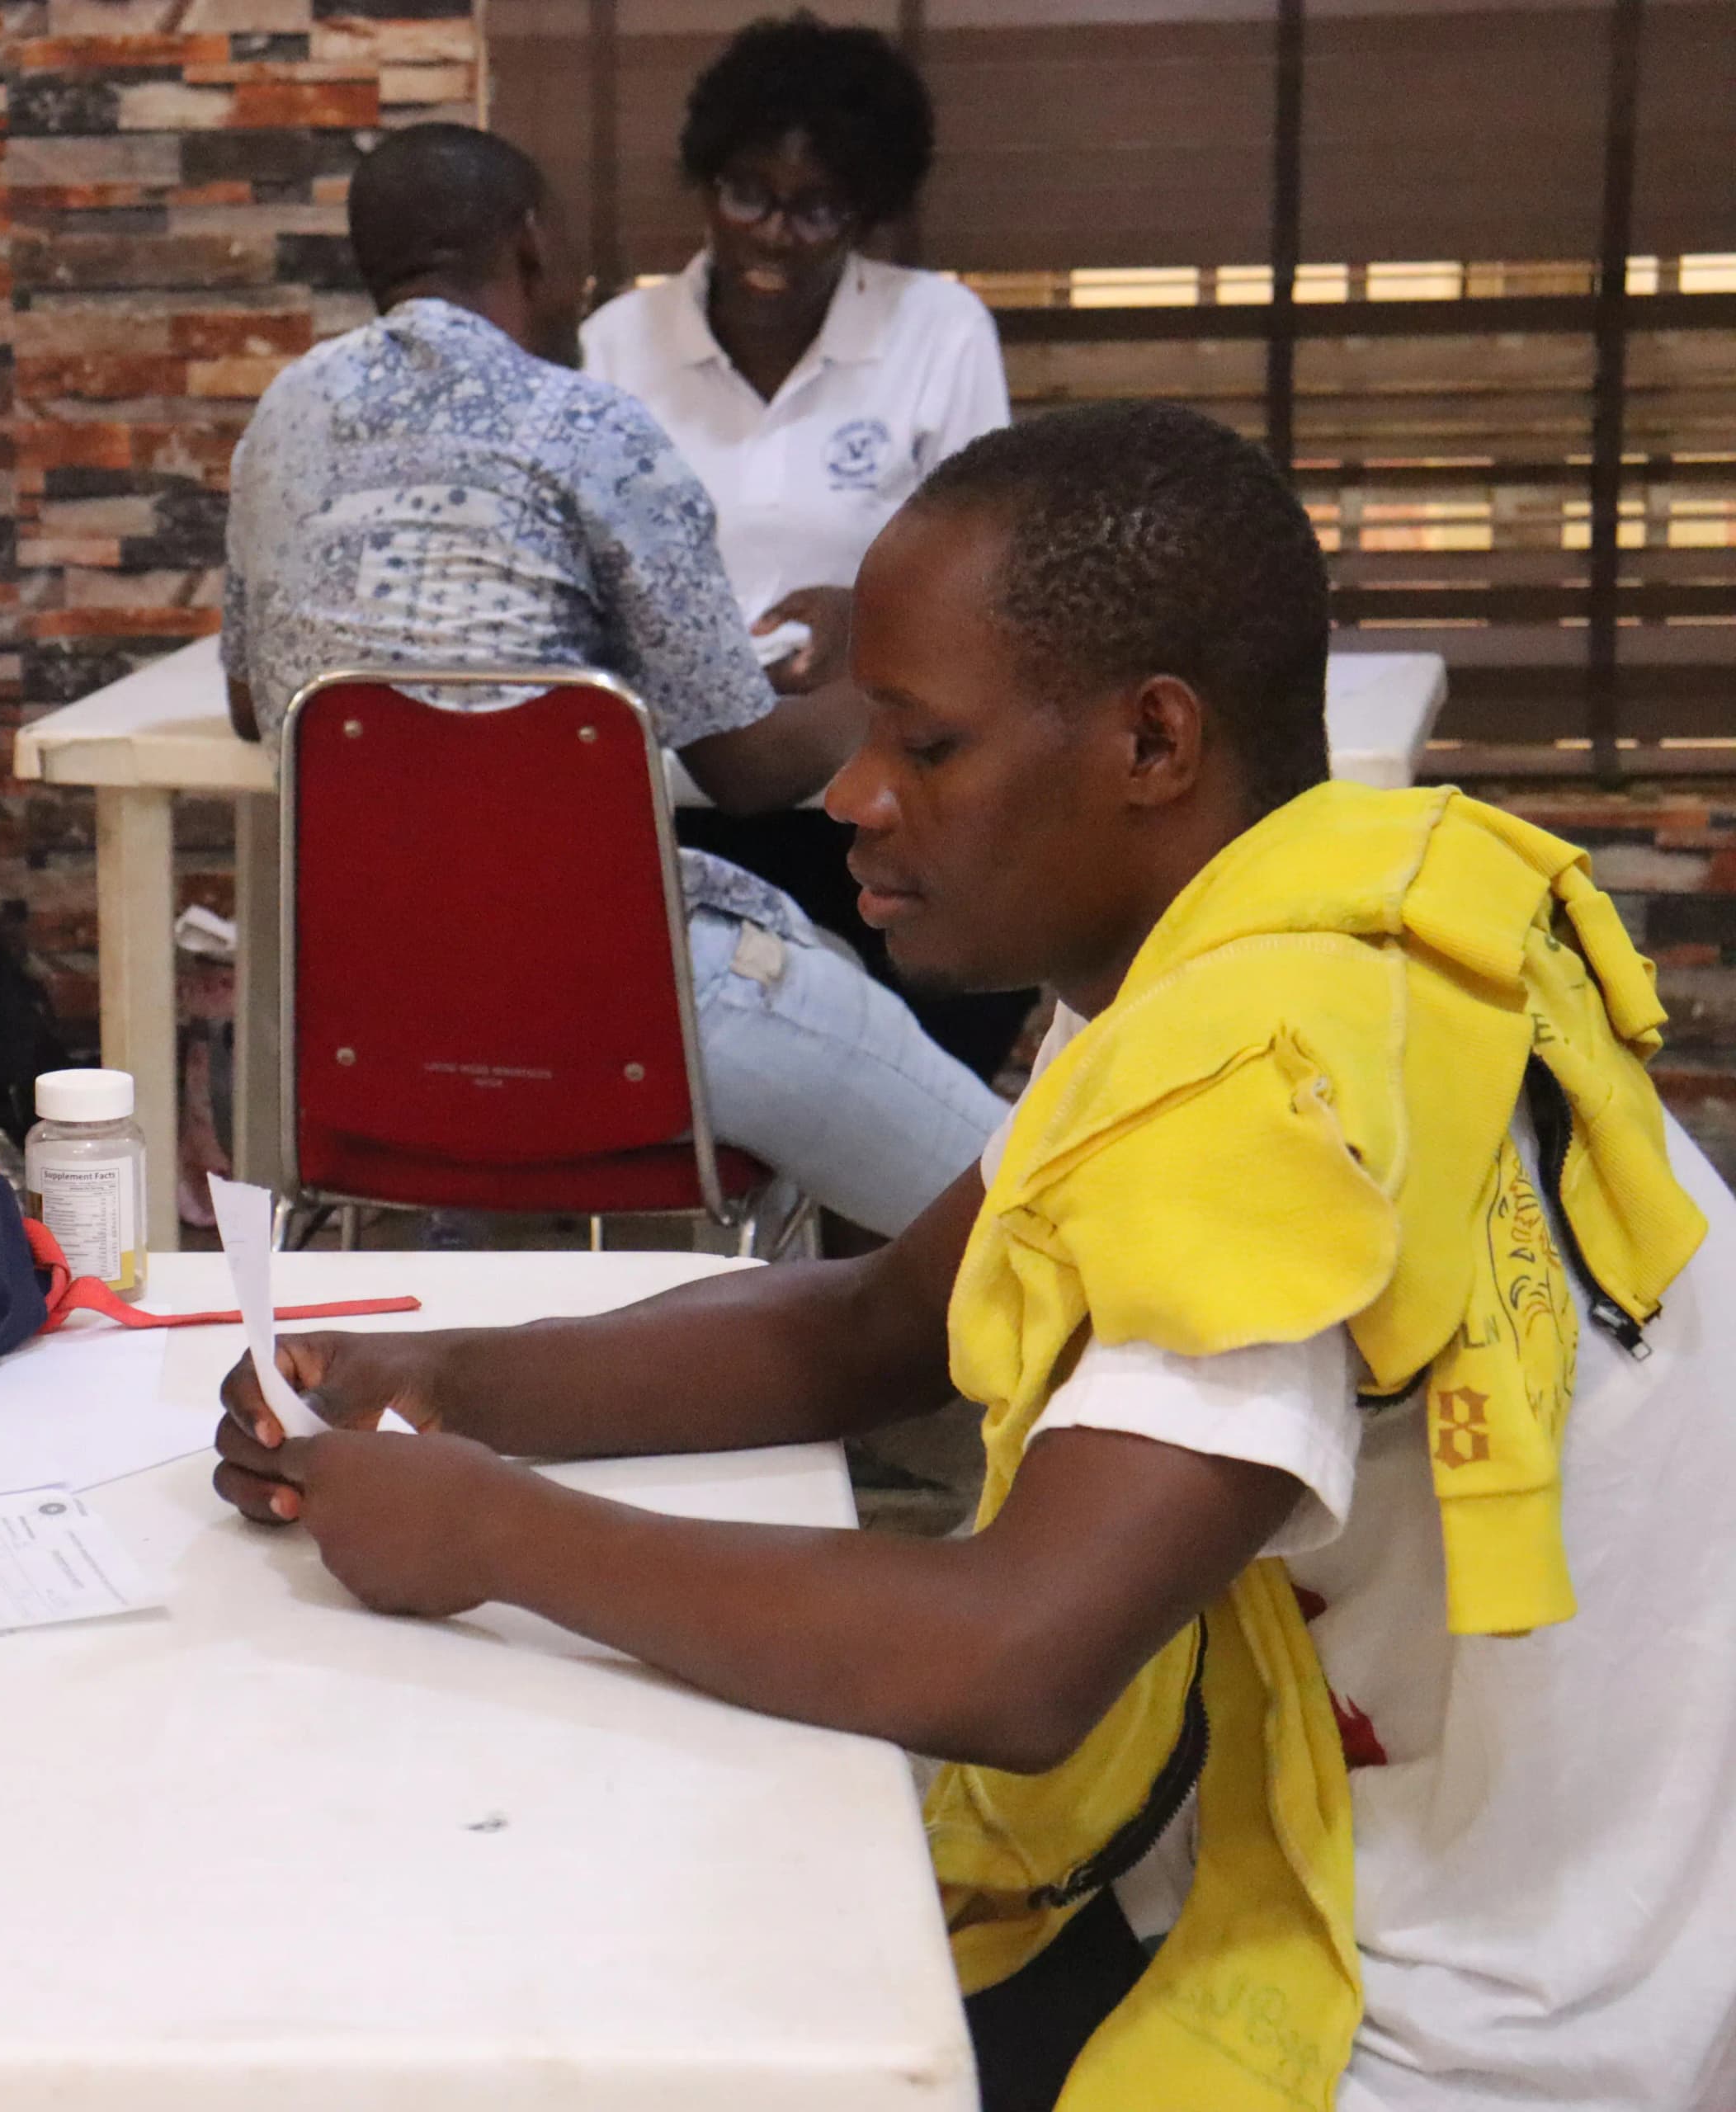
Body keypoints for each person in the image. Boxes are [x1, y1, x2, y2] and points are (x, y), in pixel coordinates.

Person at [213, 403, 1736, 2112]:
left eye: (924, 745)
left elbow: (1014, 1655)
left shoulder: (1274, 1080)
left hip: (1471, 2017)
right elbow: (875, 1326)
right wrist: (451, 1382)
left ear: (1153, 742)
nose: (854, 797)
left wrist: (488, 1530)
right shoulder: (1283, 935)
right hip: (1410, 1876)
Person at [220, 122, 1002, 1238]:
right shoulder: (588, 426)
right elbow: (741, 768)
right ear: (533, 247)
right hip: (615, 1006)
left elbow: (266, 705)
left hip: (371, 1024)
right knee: (1021, 1208)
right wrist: (879, 675)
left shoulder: (278, 424)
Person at [580, 12, 1026, 1077]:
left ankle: (906, 1206)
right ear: (705, 184)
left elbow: (994, 571)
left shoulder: (938, 331)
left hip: (871, 785)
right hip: (673, 799)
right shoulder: (617, 345)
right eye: (749, 194)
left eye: (819, 208)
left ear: (867, 216)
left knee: (974, 974)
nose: (776, 234)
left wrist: (869, 613)